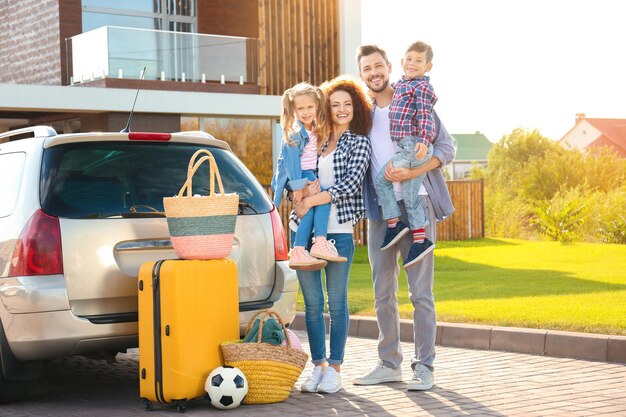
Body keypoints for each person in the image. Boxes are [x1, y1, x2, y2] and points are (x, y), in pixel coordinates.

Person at [352, 45, 455, 391]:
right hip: (382, 213)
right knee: (383, 293)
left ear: (389, 66)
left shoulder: (411, 98)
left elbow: (447, 147)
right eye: (366, 68)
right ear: (362, 74)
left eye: (378, 65)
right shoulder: (362, 115)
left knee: (420, 294)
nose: (373, 72)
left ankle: (424, 366)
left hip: (419, 206)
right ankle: (388, 363)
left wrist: (414, 170)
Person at [292, 75, 372, 394]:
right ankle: (318, 366)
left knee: (336, 303)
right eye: (335, 104)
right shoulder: (315, 139)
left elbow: (350, 184)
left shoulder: (359, 141)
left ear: (356, 108)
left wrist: (312, 198)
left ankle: (335, 368)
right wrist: (297, 198)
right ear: (327, 107)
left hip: (337, 233)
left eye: (347, 104)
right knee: (312, 306)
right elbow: (296, 179)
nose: (341, 109)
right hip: (304, 235)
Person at [375, 41, 437, 269]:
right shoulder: (400, 84)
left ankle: (394, 224)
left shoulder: (421, 87)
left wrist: (424, 139)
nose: (412, 63)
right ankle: (420, 239)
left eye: (418, 61)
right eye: (409, 59)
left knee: (382, 180)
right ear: (401, 62)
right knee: (410, 197)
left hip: (412, 145)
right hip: (407, 145)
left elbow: (425, 114)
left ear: (427, 66)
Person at [272, 82, 347, 270]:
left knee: (310, 210)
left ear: (316, 106)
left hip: (307, 175)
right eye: (300, 108)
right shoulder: (295, 132)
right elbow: (290, 162)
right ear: (293, 109)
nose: (305, 112)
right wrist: (297, 186)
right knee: (323, 200)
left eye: (309, 107)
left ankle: (298, 250)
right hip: (301, 175)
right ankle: (319, 241)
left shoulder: (313, 129)